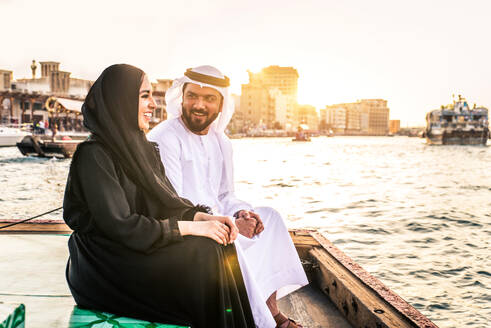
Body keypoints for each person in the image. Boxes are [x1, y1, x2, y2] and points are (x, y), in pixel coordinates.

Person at [63, 64, 255, 328]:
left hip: (135, 251)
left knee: (220, 242)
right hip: (104, 268)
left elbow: (166, 203)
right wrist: (193, 229)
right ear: (120, 101)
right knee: (204, 254)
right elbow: (123, 226)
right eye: (144, 96)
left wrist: (205, 219)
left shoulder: (143, 149)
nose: (153, 104)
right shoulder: (93, 155)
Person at [147, 65, 309, 328]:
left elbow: (225, 194)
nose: (199, 105)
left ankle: (271, 309)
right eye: (192, 96)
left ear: (221, 104)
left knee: (270, 218)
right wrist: (230, 223)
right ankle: (262, 322)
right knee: (228, 238)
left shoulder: (221, 141)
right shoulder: (166, 137)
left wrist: (242, 213)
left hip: (217, 220)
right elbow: (173, 205)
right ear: (181, 97)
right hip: (186, 232)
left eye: (209, 98)